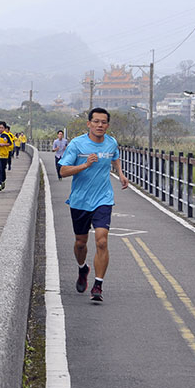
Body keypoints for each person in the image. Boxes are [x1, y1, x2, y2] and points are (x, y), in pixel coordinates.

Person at [58, 108, 128, 302]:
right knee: (81, 243)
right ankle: (83, 269)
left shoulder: (111, 142)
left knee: (101, 240)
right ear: (88, 124)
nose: (100, 125)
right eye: (96, 122)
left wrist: (120, 174)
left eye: (103, 122)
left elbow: (115, 157)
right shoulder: (77, 144)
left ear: (107, 125)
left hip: (103, 198)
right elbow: (63, 171)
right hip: (80, 200)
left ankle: (98, 285)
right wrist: (85, 165)